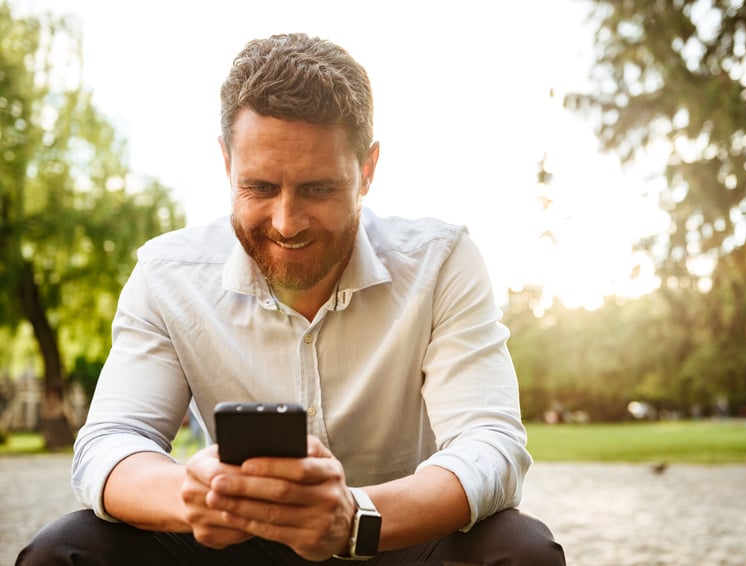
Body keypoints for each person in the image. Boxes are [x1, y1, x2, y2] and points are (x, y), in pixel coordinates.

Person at [17, 33, 566, 565]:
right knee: (62, 550)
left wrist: (353, 518)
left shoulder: (442, 260)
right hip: (231, 546)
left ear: (367, 170)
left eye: (318, 189)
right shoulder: (167, 275)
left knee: (520, 550)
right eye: (259, 188)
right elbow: (112, 441)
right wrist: (191, 493)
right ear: (227, 165)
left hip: (390, 534)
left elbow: (489, 443)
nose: (286, 222)